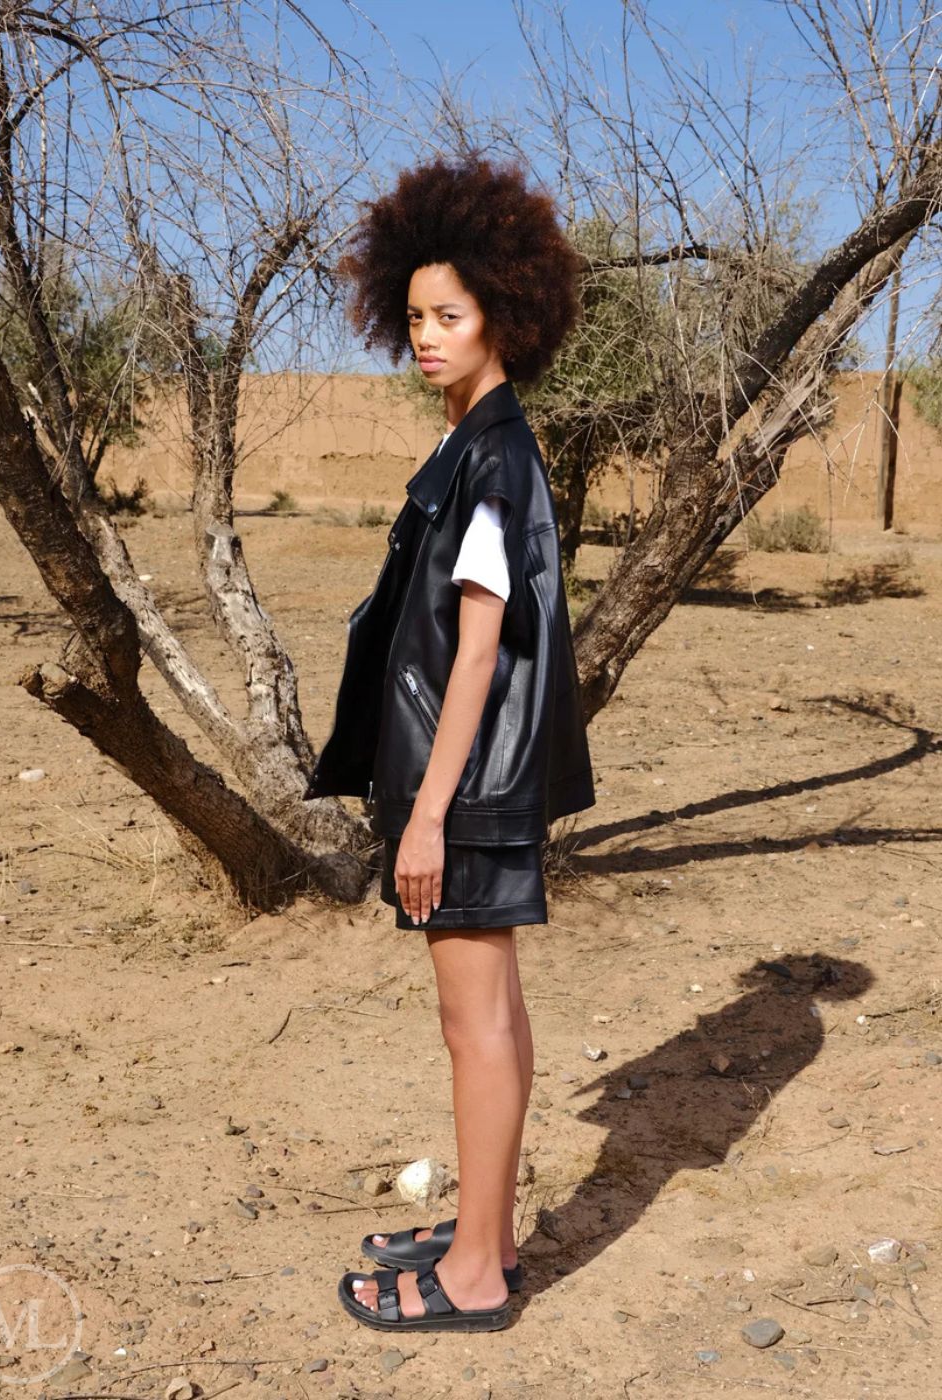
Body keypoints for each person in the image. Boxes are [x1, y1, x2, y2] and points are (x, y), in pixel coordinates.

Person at [306, 152, 594, 1332]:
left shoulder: (493, 457)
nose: (425, 335)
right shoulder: (472, 441)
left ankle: (475, 1275)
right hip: (468, 785)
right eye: (415, 315)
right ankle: (485, 1230)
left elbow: (480, 649)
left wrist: (427, 809)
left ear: (502, 318)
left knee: (471, 1020)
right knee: (493, 1016)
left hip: (463, 790)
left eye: (449, 316)